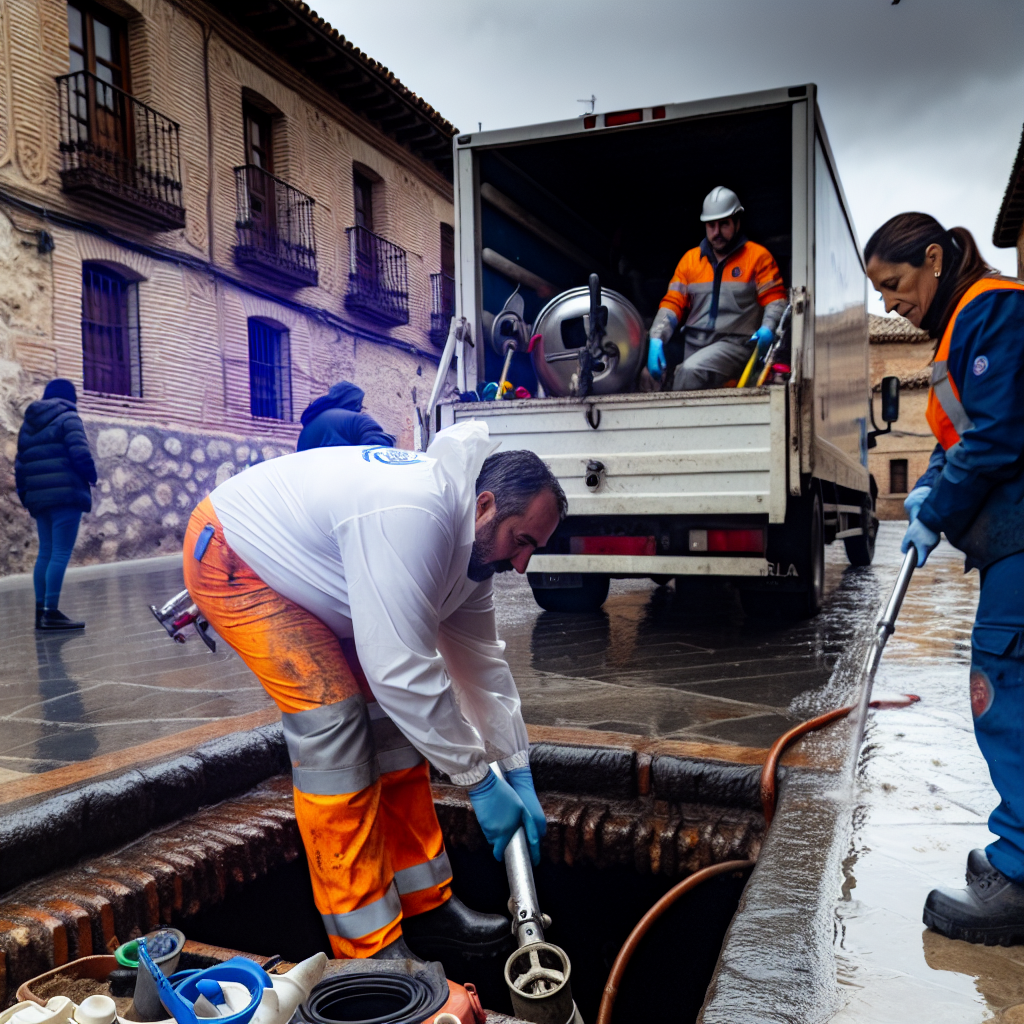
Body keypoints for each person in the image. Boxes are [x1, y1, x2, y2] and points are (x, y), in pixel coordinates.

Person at [182, 421, 564, 961]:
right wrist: (478, 780)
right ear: (484, 506)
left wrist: (516, 765)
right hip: (235, 557)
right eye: (521, 542)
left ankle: (426, 912)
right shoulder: (416, 514)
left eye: (534, 550)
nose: (522, 565)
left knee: (391, 726)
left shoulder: (473, 554)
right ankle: (368, 950)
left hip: (307, 568)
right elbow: (401, 669)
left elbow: (481, 667)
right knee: (333, 725)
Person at [865, 212, 1024, 947]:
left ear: (934, 259)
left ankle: (1021, 878)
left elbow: (996, 438)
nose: (890, 303)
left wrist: (943, 504)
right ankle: (1013, 849)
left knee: (1005, 694)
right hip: (1008, 550)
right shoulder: (963, 327)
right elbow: (957, 438)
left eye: (895, 285)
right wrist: (931, 490)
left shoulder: (993, 309)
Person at [647, 186, 788, 391]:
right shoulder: (690, 261)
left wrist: (768, 328)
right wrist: (656, 339)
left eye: (724, 224)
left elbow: (775, 300)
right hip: (694, 346)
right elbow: (673, 303)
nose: (716, 232)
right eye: (711, 225)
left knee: (689, 371)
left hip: (736, 345)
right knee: (648, 374)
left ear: (737, 223)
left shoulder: (758, 257)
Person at [15, 378, 96, 631]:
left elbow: (19, 466)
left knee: (46, 553)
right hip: (66, 495)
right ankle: (51, 612)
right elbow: (80, 453)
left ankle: (41, 613)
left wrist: (26, 496)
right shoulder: (69, 418)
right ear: (69, 397)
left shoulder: (28, 426)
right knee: (60, 553)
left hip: (40, 499)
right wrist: (91, 476)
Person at [296, 381, 395, 451]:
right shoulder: (355, 419)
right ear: (352, 401)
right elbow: (379, 448)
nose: (360, 409)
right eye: (360, 405)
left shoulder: (306, 430)